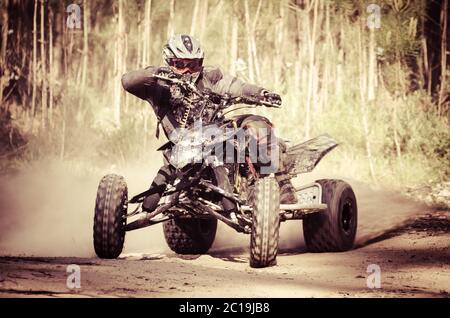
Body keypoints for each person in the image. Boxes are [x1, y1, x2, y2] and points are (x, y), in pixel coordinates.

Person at [122, 34, 297, 212]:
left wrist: (261, 93)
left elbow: (236, 86)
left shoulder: (210, 77)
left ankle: (282, 184)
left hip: (218, 137)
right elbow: (128, 82)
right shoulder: (158, 86)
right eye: (180, 64)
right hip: (181, 149)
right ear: (169, 62)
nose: (188, 70)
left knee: (258, 125)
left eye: (193, 64)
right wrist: (156, 73)